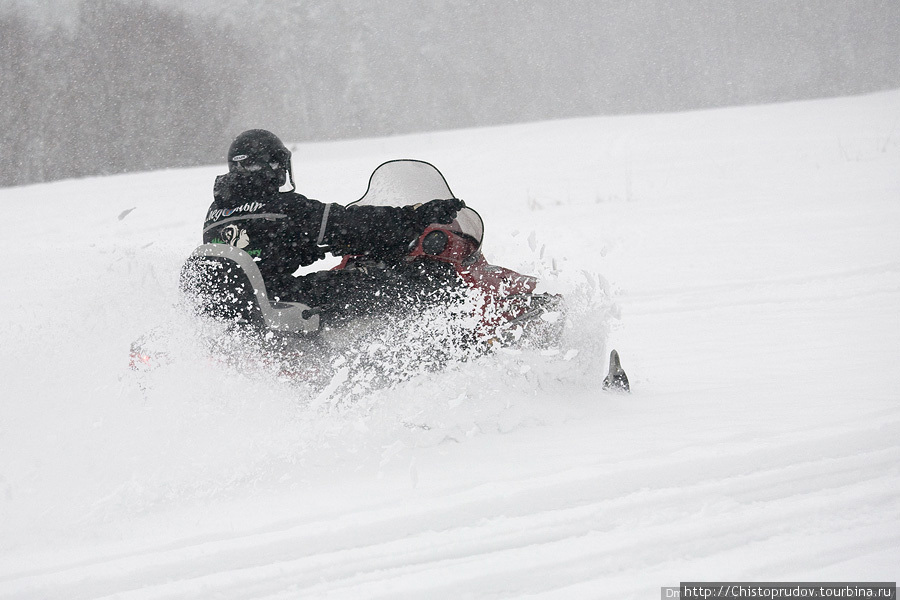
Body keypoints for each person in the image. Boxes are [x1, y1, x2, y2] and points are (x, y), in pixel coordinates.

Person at [202, 129, 464, 308]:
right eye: (276, 164)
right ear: (267, 166)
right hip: (278, 297)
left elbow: (257, 254)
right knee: (384, 285)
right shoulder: (283, 207)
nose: (280, 171)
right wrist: (415, 216)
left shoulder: (215, 212)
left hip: (252, 303)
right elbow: (350, 226)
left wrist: (298, 250)